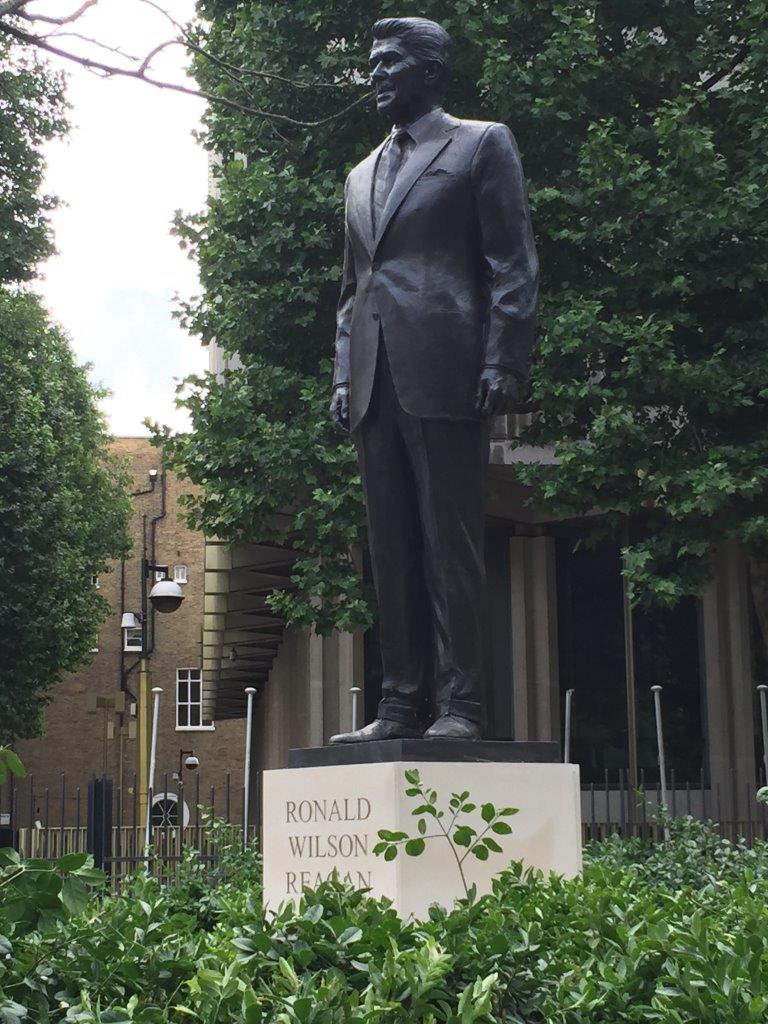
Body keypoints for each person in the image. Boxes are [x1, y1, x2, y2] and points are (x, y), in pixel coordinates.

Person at [329, 16, 538, 742]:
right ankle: (398, 704)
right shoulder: (359, 174)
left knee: (452, 543)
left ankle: (463, 706)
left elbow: (511, 263)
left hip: (448, 367)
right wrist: (343, 377)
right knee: (389, 548)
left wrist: (503, 357)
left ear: (429, 69)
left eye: (389, 62)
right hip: (374, 379)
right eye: (371, 62)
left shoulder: (480, 143)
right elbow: (354, 289)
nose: (375, 75)